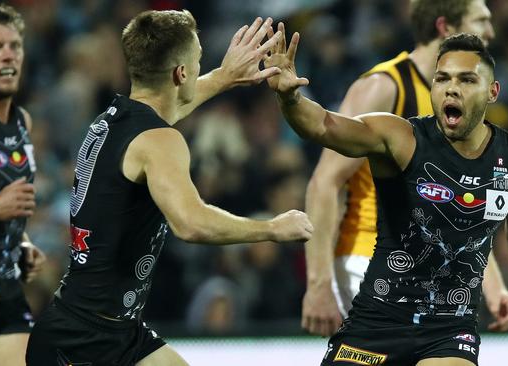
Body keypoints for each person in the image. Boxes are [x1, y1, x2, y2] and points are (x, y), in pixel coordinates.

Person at [26, 11, 312, 366]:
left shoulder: (112, 121)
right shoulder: (159, 141)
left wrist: (224, 76)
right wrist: (271, 227)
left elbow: (171, 106)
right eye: (197, 62)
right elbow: (191, 224)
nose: (198, 69)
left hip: (108, 329)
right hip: (84, 341)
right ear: (181, 73)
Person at [266, 30, 508, 365]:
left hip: (450, 330)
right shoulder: (400, 138)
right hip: (375, 324)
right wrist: (290, 100)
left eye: (466, 80)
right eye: (442, 78)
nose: (451, 88)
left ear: (492, 92)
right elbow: (323, 126)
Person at [302, 0, 508, 338]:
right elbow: (325, 183)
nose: (491, 32)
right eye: (481, 21)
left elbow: (458, 205)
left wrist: (493, 287)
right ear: (446, 27)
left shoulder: (459, 102)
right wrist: (318, 283)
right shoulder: (384, 86)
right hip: (369, 259)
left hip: (432, 268)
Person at [0, 3, 46, 366]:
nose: (8, 55)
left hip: (3, 289)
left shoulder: (23, 122)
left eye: (15, 45)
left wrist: (22, 242)